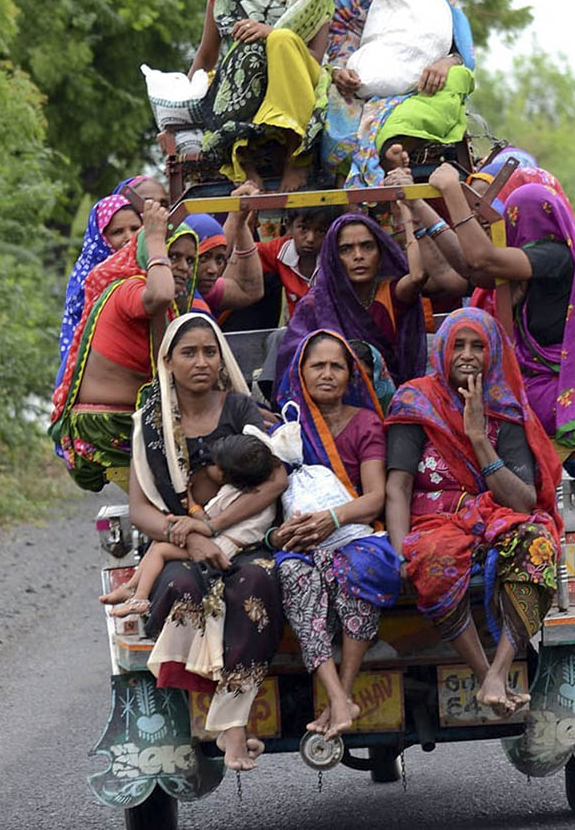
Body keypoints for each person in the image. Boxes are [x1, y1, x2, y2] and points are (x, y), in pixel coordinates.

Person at [129, 313, 288, 771]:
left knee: (253, 586)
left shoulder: (239, 409)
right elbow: (141, 511)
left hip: (241, 536)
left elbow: (274, 480)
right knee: (184, 588)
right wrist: (188, 535)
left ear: (222, 358)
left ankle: (233, 727)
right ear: (169, 361)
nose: (201, 361)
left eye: (210, 351)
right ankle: (210, 714)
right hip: (179, 541)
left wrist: (211, 529)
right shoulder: (151, 423)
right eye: (189, 352)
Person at [385, 308, 563, 716]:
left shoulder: (507, 407)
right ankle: (484, 675)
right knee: (431, 559)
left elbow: (521, 503)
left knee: (538, 543)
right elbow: (398, 486)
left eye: (478, 346)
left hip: (495, 517)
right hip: (436, 522)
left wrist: (479, 438)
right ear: (442, 349)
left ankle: (501, 670)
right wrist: (398, 552)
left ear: (493, 353)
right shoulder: (416, 401)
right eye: (458, 345)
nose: (467, 355)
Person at [425, 163, 575, 466]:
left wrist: (452, 190)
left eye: (515, 218)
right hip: (530, 397)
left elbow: (482, 260)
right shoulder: (526, 269)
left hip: (552, 404)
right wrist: (416, 207)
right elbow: (471, 270)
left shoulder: (555, 256)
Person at [273, 330, 400, 739]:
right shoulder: (285, 430)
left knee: (354, 567)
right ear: (300, 373)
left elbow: (376, 497)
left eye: (336, 366)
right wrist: (280, 536)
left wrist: (332, 519)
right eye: (317, 366)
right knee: (294, 574)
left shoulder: (365, 424)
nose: (327, 374)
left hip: (352, 534)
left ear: (350, 376)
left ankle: (342, 694)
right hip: (302, 543)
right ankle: (338, 696)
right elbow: (270, 503)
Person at [49, 202, 199, 491]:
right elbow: (161, 294)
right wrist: (155, 242)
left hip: (125, 422)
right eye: (173, 256)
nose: (181, 267)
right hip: (109, 426)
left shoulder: (153, 299)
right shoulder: (129, 288)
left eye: (189, 260)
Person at [324, 0, 475, 187]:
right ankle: (379, 159)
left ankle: (396, 146)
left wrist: (447, 62)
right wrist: (340, 73)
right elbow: (337, 52)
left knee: (458, 78)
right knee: (330, 97)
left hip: (421, 88)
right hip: (363, 93)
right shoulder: (346, 1)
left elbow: (459, 49)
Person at [189, 0, 334, 191]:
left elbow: (315, 57)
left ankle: (297, 155)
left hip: (301, 80)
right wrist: (182, 107)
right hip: (242, 82)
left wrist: (270, 32)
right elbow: (207, 54)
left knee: (279, 40)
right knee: (250, 53)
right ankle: (245, 165)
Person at [103, 433, 279, 616]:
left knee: (159, 550)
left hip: (222, 549)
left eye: (215, 465)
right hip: (237, 545)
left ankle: (139, 598)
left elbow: (204, 521)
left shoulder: (230, 494)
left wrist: (190, 500)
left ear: (226, 475)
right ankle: (131, 587)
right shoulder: (265, 496)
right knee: (159, 542)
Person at [276, 212, 428, 392]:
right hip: (333, 400)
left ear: (381, 253)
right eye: (346, 249)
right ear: (333, 256)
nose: (358, 256)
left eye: (367, 246)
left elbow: (418, 276)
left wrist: (408, 215)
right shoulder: (317, 304)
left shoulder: (391, 292)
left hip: (393, 397)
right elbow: (295, 360)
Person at [56, 193, 143, 388]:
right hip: (94, 373)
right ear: (101, 238)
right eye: (117, 232)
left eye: (135, 229)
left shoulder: (153, 266)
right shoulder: (89, 275)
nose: (129, 238)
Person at [184, 207, 264, 321]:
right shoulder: (163, 294)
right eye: (203, 258)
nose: (213, 270)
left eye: (219, 260)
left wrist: (240, 223)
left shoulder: (204, 290)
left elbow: (248, 291)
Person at [258, 205, 337, 318]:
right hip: (296, 330)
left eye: (320, 231)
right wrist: (238, 219)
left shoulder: (338, 256)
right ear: (289, 225)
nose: (310, 238)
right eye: (303, 228)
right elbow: (240, 253)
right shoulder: (279, 250)